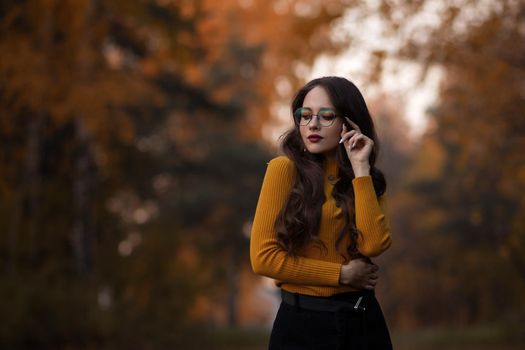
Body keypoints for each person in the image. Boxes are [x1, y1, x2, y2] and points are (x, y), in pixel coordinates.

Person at [250, 76, 393, 349]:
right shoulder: (284, 170)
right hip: (301, 326)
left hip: (363, 322)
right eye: (305, 115)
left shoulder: (368, 180)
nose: (312, 124)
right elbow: (263, 259)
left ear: (349, 123)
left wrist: (361, 170)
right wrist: (341, 274)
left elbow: (373, 244)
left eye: (326, 116)